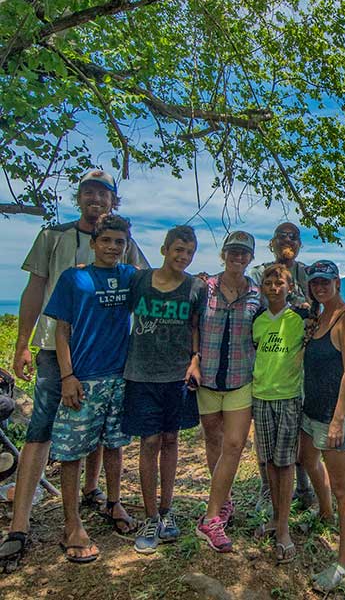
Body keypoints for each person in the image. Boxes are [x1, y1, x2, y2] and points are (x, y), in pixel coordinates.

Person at [0, 170, 149, 567]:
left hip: (110, 361)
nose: (96, 199)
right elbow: (35, 290)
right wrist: (23, 345)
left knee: (101, 432)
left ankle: (95, 495)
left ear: (113, 202)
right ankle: (20, 526)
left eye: (104, 193)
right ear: (79, 197)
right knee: (43, 431)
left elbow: (150, 282)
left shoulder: (125, 245)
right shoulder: (54, 238)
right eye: (89, 192)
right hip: (57, 352)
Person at [43, 214, 140, 563]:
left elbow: (161, 286)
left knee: (115, 445)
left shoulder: (130, 277)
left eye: (120, 242)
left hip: (120, 376)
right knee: (72, 453)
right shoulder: (75, 278)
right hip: (83, 379)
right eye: (107, 241)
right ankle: (71, 523)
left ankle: (114, 503)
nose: (113, 247)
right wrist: (68, 376)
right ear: (94, 243)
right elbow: (62, 330)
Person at [122, 225, 205, 554]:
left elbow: (196, 327)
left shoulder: (195, 287)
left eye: (188, 252)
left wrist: (195, 360)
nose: (182, 257)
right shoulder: (139, 281)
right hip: (141, 373)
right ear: (164, 250)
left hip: (176, 376)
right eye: (178, 250)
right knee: (149, 442)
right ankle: (150, 515)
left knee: (171, 440)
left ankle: (167, 511)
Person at [195, 231, 261, 553]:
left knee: (234, 445)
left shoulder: (256, 294)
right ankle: (224, 500)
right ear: (224, 254)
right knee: (214, 442)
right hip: (206, 380)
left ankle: (210, 519)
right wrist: (192, 360)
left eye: (244, 253)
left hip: (241, 380)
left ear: (251, 258)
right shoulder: (203, 287)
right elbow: (191, 325)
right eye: (233, 252)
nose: (238, 257)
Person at [300, 260, 345, 591]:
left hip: (333, 416)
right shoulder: (318, 316)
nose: (320, 287)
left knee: (343, 489)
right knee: (308, 460)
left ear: (337, 282)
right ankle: (324, 513)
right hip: (310, 411)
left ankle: (343, 565)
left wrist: (338, 420)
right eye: (315, 282)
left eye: (325, 281)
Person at [248, 222, 314, 511]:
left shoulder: (309, 275)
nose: (287, 241)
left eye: (293, 237)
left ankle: (303, 487)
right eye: (281, 237)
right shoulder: (258, 273)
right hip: (266, 364)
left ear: (299, 244)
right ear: (272, 243)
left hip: (299, 364)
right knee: (265, 439)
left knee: (296, 431)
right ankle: (268, 488)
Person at [251, 264, 307, 564]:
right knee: (269, 461)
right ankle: (275, 517)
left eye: (280, 283)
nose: (274, 287)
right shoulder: (257, 321)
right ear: (262, 287)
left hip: (288, 399)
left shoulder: (298, 319)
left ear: (289, 288)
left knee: (285, 463)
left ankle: (284, 528)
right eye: (269, 283)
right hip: (260, 397)